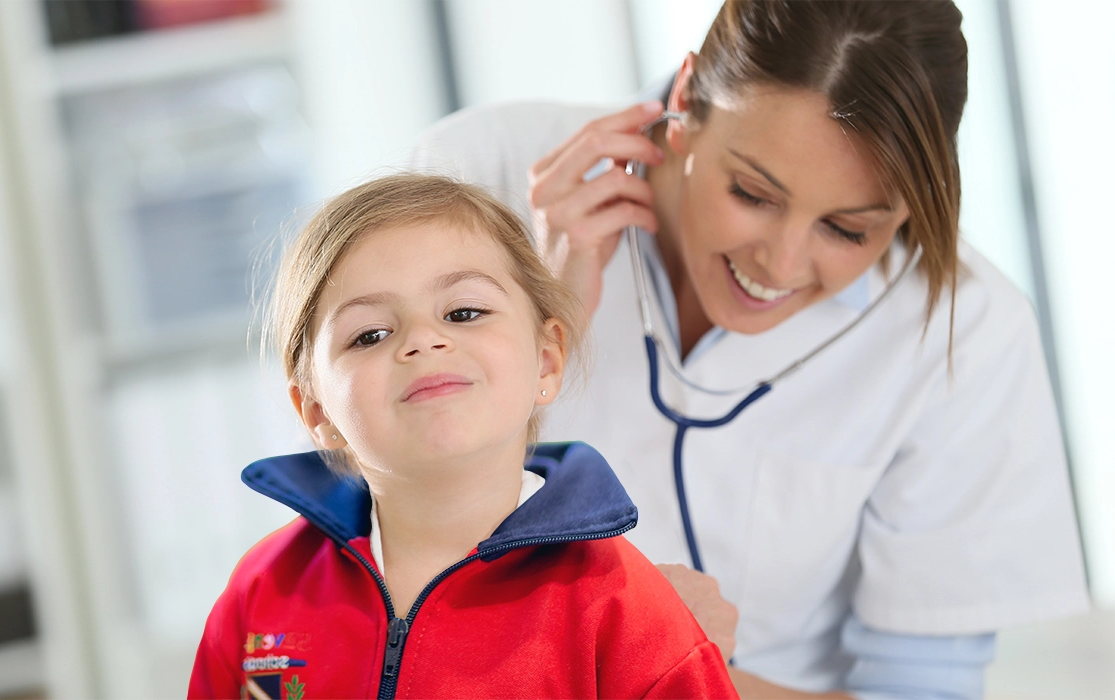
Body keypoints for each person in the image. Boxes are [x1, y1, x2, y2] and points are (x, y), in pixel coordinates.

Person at [410, 0, 1089, 697]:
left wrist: (655, 659)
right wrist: (537, 332)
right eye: (752, 193)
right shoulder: (475, 178)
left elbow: (918, 688)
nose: (782, 264)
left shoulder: (964, 329)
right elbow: (366, 542)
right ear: (685, 97)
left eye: (848, 230)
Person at [187, 174, 740, 699]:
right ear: (316, 411)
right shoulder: (262, 590)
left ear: (546, 362)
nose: (423, 341)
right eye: (370, 334)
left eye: (464, 311)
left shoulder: (625, 611)